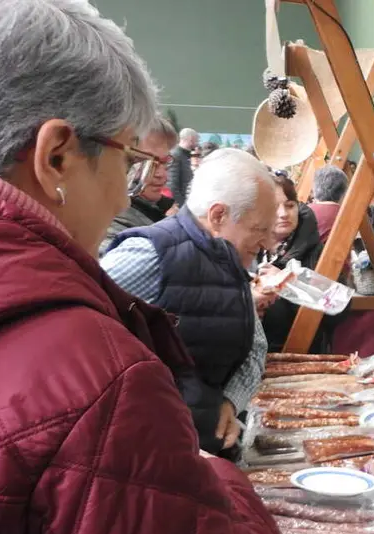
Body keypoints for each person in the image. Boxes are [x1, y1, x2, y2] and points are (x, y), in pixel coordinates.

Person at [0, 2, 290, 534]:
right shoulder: (86, 371)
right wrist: (220, 483)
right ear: (57, 156)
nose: (131, 195)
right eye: (131, 162)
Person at [102, 148, 277, 455]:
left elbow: (255, 345)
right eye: (260, 229)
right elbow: (74, 334)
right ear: (218, 215)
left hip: (197, 449)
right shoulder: (150, 255)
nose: (267, 243)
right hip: (147, 453)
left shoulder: (229, 260)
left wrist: (230, 401)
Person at [310, 164, 374, 357]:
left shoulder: (305, 213)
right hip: (335, 289)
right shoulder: (348, 216)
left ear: (315, 188)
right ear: (343, 191)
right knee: (373, 312)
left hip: (309, 285)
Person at [260, 173, 323, 351]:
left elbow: (338, 309)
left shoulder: (316, 251)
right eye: (274, 207)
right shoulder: (249, 247)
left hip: (300, 355)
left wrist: (287, 281)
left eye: (290, 206)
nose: (283, 214)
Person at [99, 114, 178, 255]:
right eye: (144, 160)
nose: (162, 175)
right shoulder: (108, 223)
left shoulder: (154, 211)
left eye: (164, 163)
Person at [168, 126, 198, 206]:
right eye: (197, 139)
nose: (198, 142)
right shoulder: (175, 155)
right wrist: (182, 205)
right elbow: (172, 184)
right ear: (191, 139)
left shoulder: (187, 155)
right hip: (182, 204)